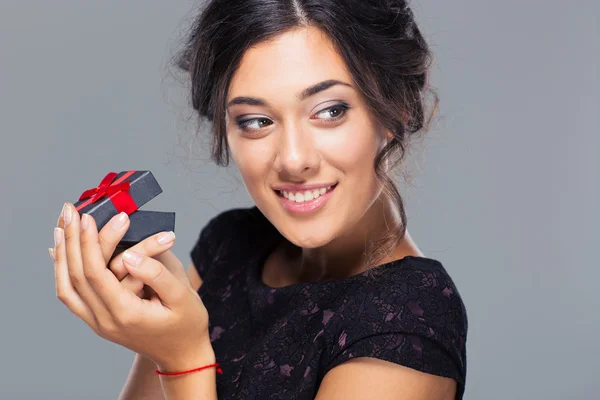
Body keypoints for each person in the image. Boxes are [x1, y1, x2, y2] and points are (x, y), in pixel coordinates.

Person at [50, 0, 468, 399]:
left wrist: (183, 360)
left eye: (329, 110)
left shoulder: (409, 320)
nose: (293, 160)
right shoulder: (229, 245)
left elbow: (182, 357)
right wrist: (153, 316)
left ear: (396, 107)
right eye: (256, 121)